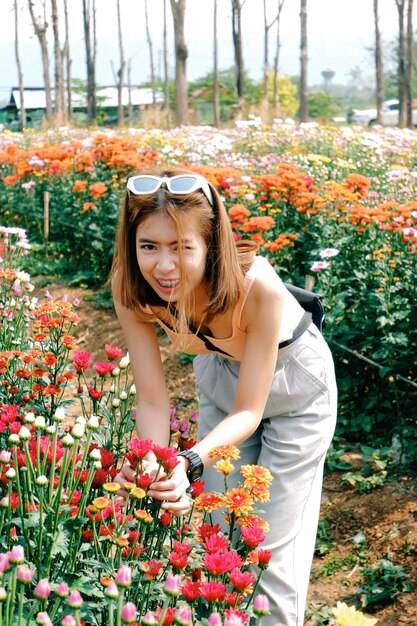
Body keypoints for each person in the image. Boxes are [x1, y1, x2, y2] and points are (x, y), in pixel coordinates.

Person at [111, 166, 337, 626]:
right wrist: (156, 463)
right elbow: (153, 400)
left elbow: (251, 410)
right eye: (148, 247)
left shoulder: (260, 291)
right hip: (219, 373)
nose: (163, 266)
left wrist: (190, 461)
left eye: (182, 248)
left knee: (266, 549)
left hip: (296, 387)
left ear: (212, 247)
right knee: (220, 536)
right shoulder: (131, 289)